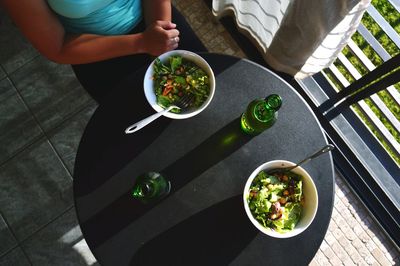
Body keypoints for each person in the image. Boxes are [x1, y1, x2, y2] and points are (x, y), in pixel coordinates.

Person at [1, 0, 207, 102]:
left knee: (209, 95)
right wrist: (142, 43)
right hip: (98, 55)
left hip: (159, 23)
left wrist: (160, 39)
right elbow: (58, 46)